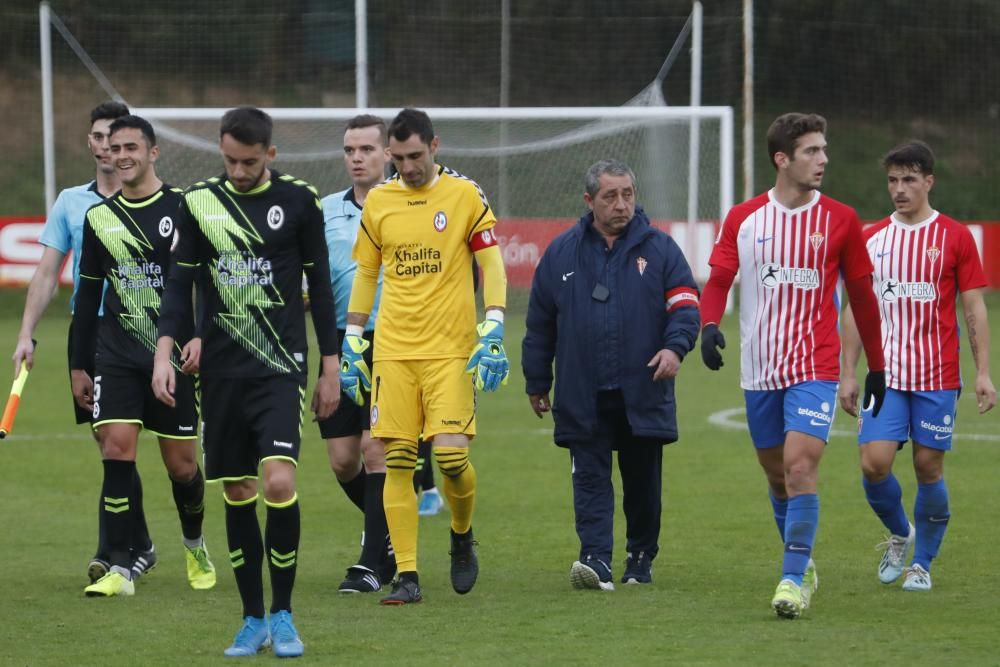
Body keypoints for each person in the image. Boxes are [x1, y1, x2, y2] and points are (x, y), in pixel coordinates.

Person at [152, 107, 341, 657]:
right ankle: (251, 617)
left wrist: (330, 367)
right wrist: (165, 353)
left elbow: (321, 290)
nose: (238, 170)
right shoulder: (199, 203)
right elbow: (177, 284)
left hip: (281, 367)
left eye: (249, 162)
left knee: (279, 483)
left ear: (271, 156)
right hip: (221, 374)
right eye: (230, 159)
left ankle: (283, 614)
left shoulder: (300, 201)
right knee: (237, 491)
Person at [699, 112, 887, 619]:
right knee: (776, 474)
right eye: (811, 151)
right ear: (782, 159)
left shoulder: (842, 219)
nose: (823, 159)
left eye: (824, 150)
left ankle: (793, 574)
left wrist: (876, 367)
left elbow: (864, 297)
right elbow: (718, 279)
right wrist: (708, 325)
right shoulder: (744, 218)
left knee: (800, 466)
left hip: (815, 366)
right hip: (759, 368)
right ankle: (802, 562)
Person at [341, 107, 509, 605]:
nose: (407, 166)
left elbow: (491, 261)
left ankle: (461, 533)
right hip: (393, 351)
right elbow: (368, 273)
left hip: (451, 350)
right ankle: (407, 575)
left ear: (435, 146)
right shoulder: (381, 202)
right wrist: (352, 338)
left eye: (416, 156)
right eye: (399, 157)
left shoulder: (463, 194)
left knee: (453, 457)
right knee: (397, 460)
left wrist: (494, 321)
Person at [522, 159, 700, 591]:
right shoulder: (562, 251)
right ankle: (595, 559)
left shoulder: (660, 249)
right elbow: (540, 321)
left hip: (643, 386)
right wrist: (536, 380)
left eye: (627, 195)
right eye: (610, 196)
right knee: (589, 480)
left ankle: (640, 556)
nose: (621, 204)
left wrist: (674, 348)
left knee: (642, 483)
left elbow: (686, 306)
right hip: (582, 390)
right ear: (589, 201)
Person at [11, 101, 162, 584]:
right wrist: (25, 332)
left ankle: (124, 548)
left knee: (169, 455)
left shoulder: (161, 204)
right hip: (92, 333)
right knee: (109, 441)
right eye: (98, 138)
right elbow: (46, 272)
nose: (106, 148)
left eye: (114, 140)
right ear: (91, 143)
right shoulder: (73, 203)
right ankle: (129, 547)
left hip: (150, 330)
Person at [838, 140, 996, 592]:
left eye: (909, 179)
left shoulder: (955, 237)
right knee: (873, 463)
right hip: (883, 376)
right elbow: (855, 309)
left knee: (928, 467)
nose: (899, 189)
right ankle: (900, 533)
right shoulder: (870, 238)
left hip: (937, 376)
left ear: (929, 181)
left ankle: (922, 564)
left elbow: (974, 309)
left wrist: (983, 372)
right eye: (892, 180)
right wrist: (848, 372)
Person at [70, 115, 215, 597]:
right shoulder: (98, 218)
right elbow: (87, 298)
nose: (122, 154)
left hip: (170, 357)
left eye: (132, 146)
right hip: (114, 355)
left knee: (181, 467)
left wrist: (199, 337)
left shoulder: (186, 208)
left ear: (153, 152)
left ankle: (194, 543)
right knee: (116, 450)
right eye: (116, 147)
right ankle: (118, 564)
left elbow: (206, 285)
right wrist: (78, 364)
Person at [318, 114, 395, 593]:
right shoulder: (324, 210)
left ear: (387, 153)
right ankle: (390, 532)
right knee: (343, 459)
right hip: (342, 345)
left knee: (374, 448)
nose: (357, 158)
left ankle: (371, 560)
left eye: (367, 149)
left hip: (397, 343)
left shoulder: (407, 205)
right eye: (350, 150)